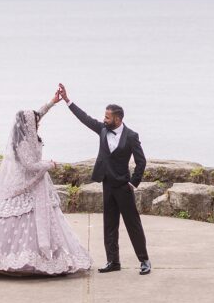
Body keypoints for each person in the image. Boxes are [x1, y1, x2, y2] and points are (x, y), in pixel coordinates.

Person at [0, 92, 91, 276]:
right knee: (17, 218)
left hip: (38, 183)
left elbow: (36, 115)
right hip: (26, 184)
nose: (38, 123)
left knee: (44, 219)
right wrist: (50, 165)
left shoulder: (29, 134)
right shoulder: (22, 143)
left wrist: (52, 102)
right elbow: (29, 165)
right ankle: (11, 259)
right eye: (35, 122)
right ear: (28, 125)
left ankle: (42, 258)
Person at [57, 83, 151, 274]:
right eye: (104, 116)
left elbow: (141, 161)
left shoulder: (131, 136)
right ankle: (113, 262)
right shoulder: (102, 129)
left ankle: (144, 260)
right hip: (107, 184)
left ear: (118, 119)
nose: (104, 119)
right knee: (109, 225)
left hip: (124, 186)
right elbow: (85, 118)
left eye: (107, 117)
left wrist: (133, 183)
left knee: (133, 224)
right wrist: (67, 100)